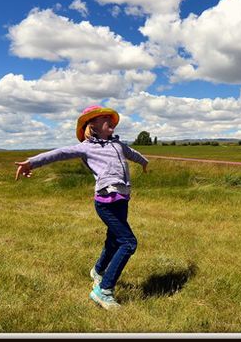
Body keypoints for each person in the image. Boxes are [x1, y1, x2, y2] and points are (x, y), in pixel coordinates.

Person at [15, 105, 149, 310]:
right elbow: (58, 153)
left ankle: (98, 271)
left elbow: (133, 153)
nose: (110, 120)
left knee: (114, 241)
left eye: (110, 117)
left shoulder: (119, 145)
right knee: (128, 243)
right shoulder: (86, 147)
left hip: (122, 200)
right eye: (104, 117)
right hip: (106, 203)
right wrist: (31, 163)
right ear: (92, 124)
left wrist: (144, 162)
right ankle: (103, 291)